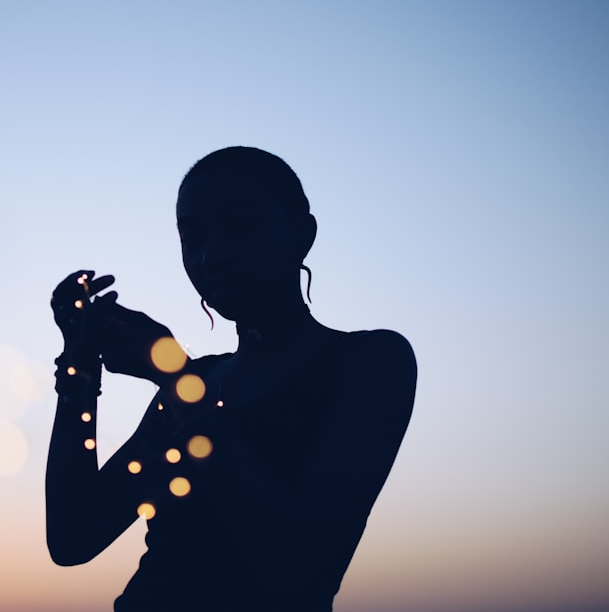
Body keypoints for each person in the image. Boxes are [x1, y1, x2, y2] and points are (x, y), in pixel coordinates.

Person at [46, 146, 416, 612]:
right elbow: (74, 535)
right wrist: (79, 365)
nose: (212, 254)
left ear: (303, 234)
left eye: (240, 225)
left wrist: (175, 378)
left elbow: (302, 571)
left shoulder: (369, 362)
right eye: (193, 236)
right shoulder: (194, 383)